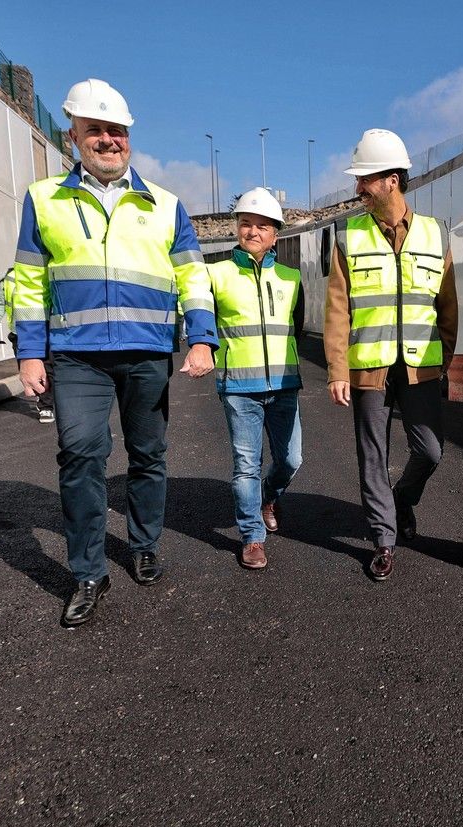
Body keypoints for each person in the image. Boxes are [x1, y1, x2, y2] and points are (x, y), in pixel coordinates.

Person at [11, 79, 217, 627]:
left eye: (117, 131)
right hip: (76, 355)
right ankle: (87, 571)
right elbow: (29, 282)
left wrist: (201, 337)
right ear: (73, 135)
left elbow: (192, 277)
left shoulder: (166, 205)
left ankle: (144, 544)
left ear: (129, 136)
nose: (108, 140)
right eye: (95, 130)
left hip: (148, 352)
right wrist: (30, 353)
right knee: (81, 454)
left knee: (149, 454)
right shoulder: (44, 199)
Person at [324, 129, 458, 581]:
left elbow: (448, 307)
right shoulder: (348, 236)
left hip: (422, 367)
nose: (358, 188)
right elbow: (337, 309)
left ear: (393, 181)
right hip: (369, 367)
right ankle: (384, 539)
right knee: (372, 455)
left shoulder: (436, 234)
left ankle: (403, 499)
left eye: (366, 179)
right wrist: (337, 369)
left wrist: (446, 361)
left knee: (432, 451)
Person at [207, 188, 304, 570]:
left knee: (291, 459)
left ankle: (268, 497)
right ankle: (252, 537)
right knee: (246, 464)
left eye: (262, 226)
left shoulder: (292, 277)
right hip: (238, 387)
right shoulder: (216, 274)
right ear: (236, 228)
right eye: (246, 223)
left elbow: (295, 327)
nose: (252, 231)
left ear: (275, 234)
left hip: (284, 385)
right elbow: (203, 326)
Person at [0, 267, 54, 423]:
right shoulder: (8, 280)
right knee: (35, 372)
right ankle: (46, 406)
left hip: (46, 330)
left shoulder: (45, 274)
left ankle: (51, 404)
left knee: (50, 369)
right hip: (19, 334)